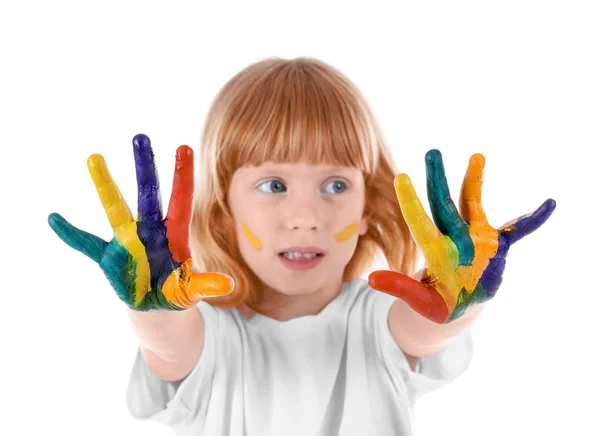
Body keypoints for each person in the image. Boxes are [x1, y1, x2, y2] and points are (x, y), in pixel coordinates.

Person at [48, 56, 555, 435]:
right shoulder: (214, 337)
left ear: (365, 208)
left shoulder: (374, 323)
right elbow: (169, 344)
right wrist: (154, 307)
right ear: (225, 208)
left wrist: (456, 305)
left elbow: (422, 330)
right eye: (273, 185)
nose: (306, 218)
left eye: (335, 185)